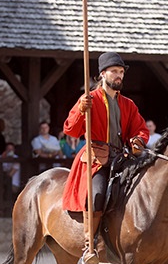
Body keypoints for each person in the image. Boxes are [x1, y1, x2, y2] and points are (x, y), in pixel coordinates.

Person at [60, 57, 150, 243]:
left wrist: (138, 140)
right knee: (97, 194)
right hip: (97, 158)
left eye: (121, 72)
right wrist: (80, 110)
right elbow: (71, 129)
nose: (119, 76)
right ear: (103, 74)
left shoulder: (128, 104)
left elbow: (140, 129)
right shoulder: (89, 100)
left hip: (122, 157)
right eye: (115, 71)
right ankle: (90, 242)